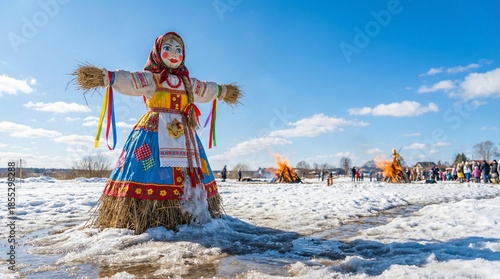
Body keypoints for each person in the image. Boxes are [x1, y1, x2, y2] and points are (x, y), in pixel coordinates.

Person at [74, 31, 241, 234]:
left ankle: (192, 210)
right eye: (168, 49)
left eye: (179, 50)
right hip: (155, 129)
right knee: (148, 165)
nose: (174, 54)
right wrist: (109, 77)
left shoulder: (188, 83)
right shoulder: (152, 79)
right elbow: (130, 80)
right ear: (157, 53)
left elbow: (206, 90)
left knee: (192, 170)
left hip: (185, 133)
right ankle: (148, 213)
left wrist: (223, 91)